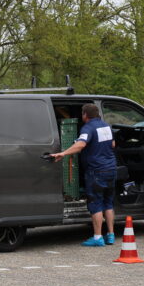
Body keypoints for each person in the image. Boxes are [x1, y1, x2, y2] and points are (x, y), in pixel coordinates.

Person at [51, 103, 117, 246]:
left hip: (96, 171)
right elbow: (113, 145)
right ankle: (111, 235)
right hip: (110, 169)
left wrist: (63, 153)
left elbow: (81, 144)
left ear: (85, 115)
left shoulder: (88, 127)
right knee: (108, 203)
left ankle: (98, 237)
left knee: (96, 204)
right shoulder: (106, 126)